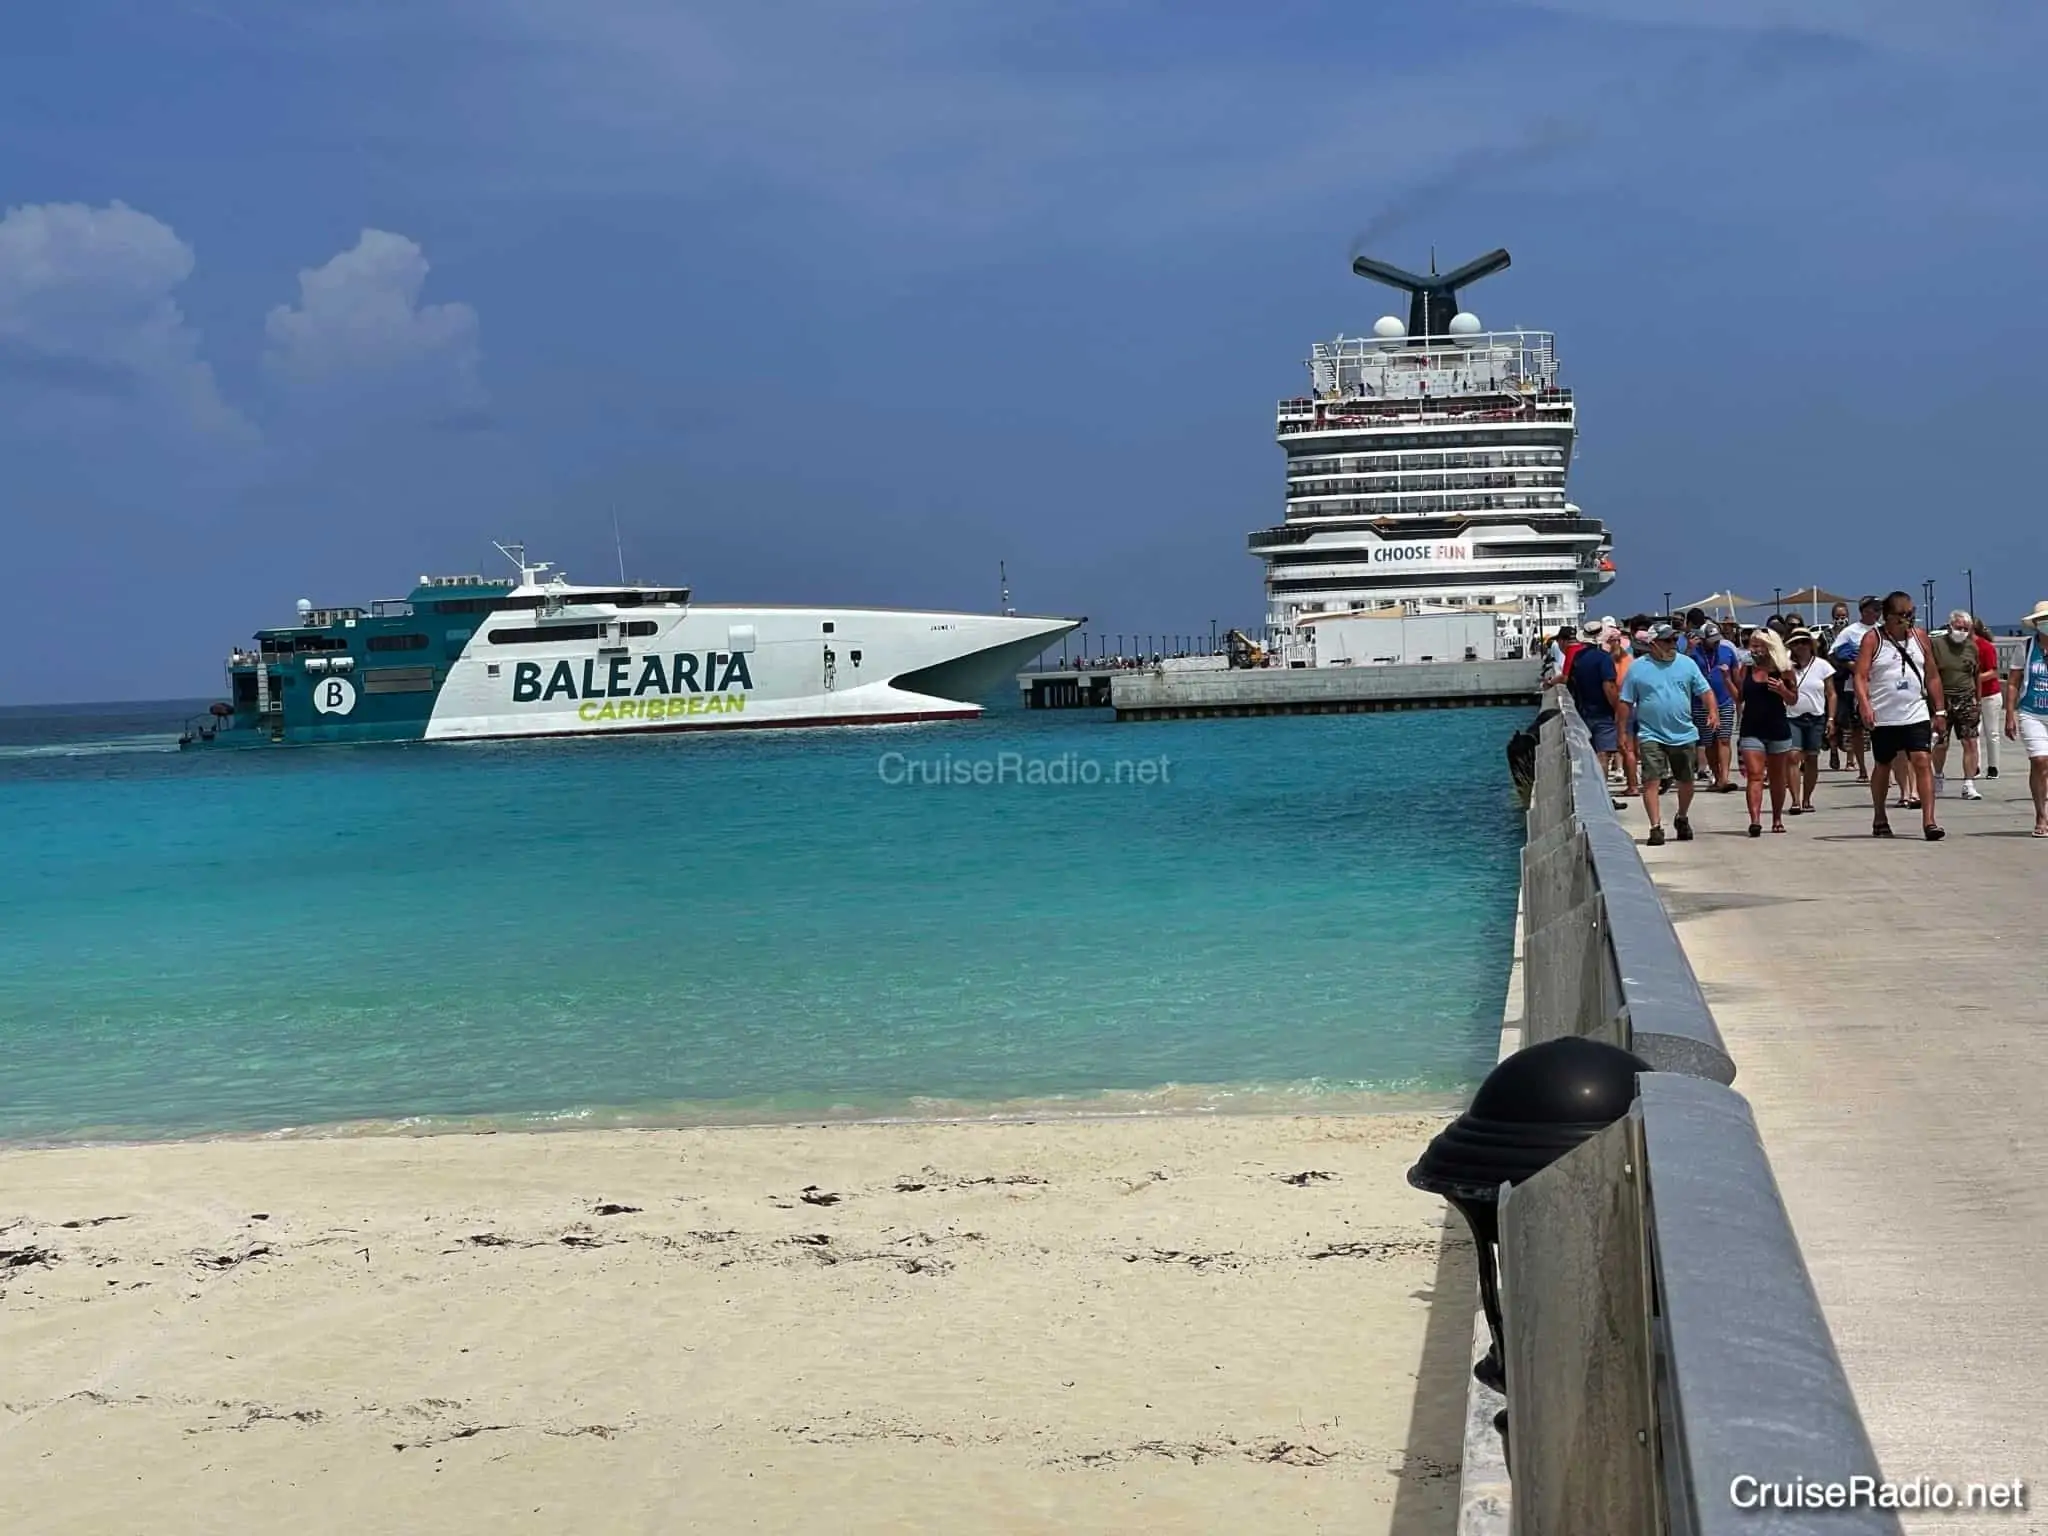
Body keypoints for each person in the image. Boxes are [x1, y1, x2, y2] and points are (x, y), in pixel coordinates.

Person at [1854, 591, 1946, 840]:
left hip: (1915, 711)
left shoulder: (1920, 637)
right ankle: (1880, 816)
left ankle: (1929, 821)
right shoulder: (1873, 639)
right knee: (1883, 764)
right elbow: (1860, 676)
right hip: (1884, 715)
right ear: (1888, 617)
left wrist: (1939, 710)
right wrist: (1865, 705)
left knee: (1921, 760)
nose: (1909, 619)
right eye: (1903, 615)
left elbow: (1933, 675)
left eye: (1912, 614)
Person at [1618, 622, 1717, 847]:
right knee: (1651, 780)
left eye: (1674, 640)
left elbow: (1705, 691)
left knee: (1686, 781)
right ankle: (1655, 827)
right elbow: (1625, 702)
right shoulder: (1637, 668)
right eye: (1667, 641)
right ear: (1653, 644)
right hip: (1650, 733)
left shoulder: (1687, 664)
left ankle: (1682, 817)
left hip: (1684, 733)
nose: (1673, 644)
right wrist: (1622, 731)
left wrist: (1712, 711)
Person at [1732, 625, 1798, 834]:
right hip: (1751, 728)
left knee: (1778, 778)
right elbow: (1740, 697)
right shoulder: (1747, 669)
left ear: (1770, 647)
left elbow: (1793, 700)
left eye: (1760, 646)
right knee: (1755, 775)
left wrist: (1782, 690)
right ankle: (1755, 820)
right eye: (1753, 646)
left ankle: (1777, 818)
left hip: (1777, 728)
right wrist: (1727, 680)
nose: (1755, 650)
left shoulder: (1784, 670)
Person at [1928, 610, 1984, 801]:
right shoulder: (1937, 645)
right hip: (1942, 700)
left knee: (1970, 742)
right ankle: (1938, 776)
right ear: (1950, 626)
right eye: (1958, 627)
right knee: (1941, 743)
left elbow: (1976, 674)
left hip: (1967, 699)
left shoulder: (1972, 647)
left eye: (1965, 629)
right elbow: (1930, 673)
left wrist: (1978, 699)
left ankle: (1969, 783)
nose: (1961, 631)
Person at [2005, 598, 2048, 837]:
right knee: (2040, 761)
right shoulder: (2026, 647)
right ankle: (2041, 815)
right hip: (2032, 713)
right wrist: (2010, 714)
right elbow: (2012, 683)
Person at [1829, 595, 1881, 783]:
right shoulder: (1850, 632)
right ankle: (1862, 769)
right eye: (1874, 609)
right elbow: (1834, 654)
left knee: (1881, 729)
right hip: (1855, 687)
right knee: (1858, 729)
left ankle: (1882, 768)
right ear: (1864, 611)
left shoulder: (1883, 630)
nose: (1878, 613)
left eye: (1879, 609)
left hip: (1880, 686)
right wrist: (1854, 666)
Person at [1564, 618, 1621, 781]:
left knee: (1588, 753)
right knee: (1603, 755)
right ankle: (1603, 794)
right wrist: (1617, 709)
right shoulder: (1604, 658)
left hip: (1582, 711)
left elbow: (1571, 684)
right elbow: (1608, 686)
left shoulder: (1578, 658)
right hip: (1603, 713)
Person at [1687, 620, 1740, 791]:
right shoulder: (1694, 654)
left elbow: (1736, 677)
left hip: (1724, 701)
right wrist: (1688, 649)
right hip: (1701, 703)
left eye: (1718, 639)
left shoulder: (1727, 652)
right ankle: (1716, 777)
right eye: (1712, 640)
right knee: (1708, 742)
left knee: (1724, 739)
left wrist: (1739, 698)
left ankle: (1724, 778)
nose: (1716, 643)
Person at [1785, 629, 1834, 813]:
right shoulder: (1786, 666)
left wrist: (1831, 718)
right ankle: (1795, 800)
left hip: (1816, 716)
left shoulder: (1823, 666)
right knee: (1793, 756)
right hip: (1792, 716)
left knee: (1812, 757)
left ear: (1810, 644)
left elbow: (1831, 693)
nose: (1800, 646)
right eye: (1796, 643)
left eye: (1804, 642)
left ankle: (1807, 798)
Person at [1973, 616, 2003, 781]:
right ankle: (1974, 766)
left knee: (1991, 732)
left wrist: (1974, 679)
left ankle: (1993, 767)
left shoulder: (1985, 647)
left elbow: (1993, 672)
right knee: (1973, 732)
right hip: (1973, 695)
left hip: (1990, 695)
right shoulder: (1963, 648)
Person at [1824, 601, 1852, 768]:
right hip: (1831, 680)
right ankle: (1833, 752)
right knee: (1832, 717)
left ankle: (1850, 759)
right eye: (1837, 616)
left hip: (1849, 680)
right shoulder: (1826, 635)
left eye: (1843, 616)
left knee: (1850, 720)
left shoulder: (1853, 633)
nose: (1840, 619)